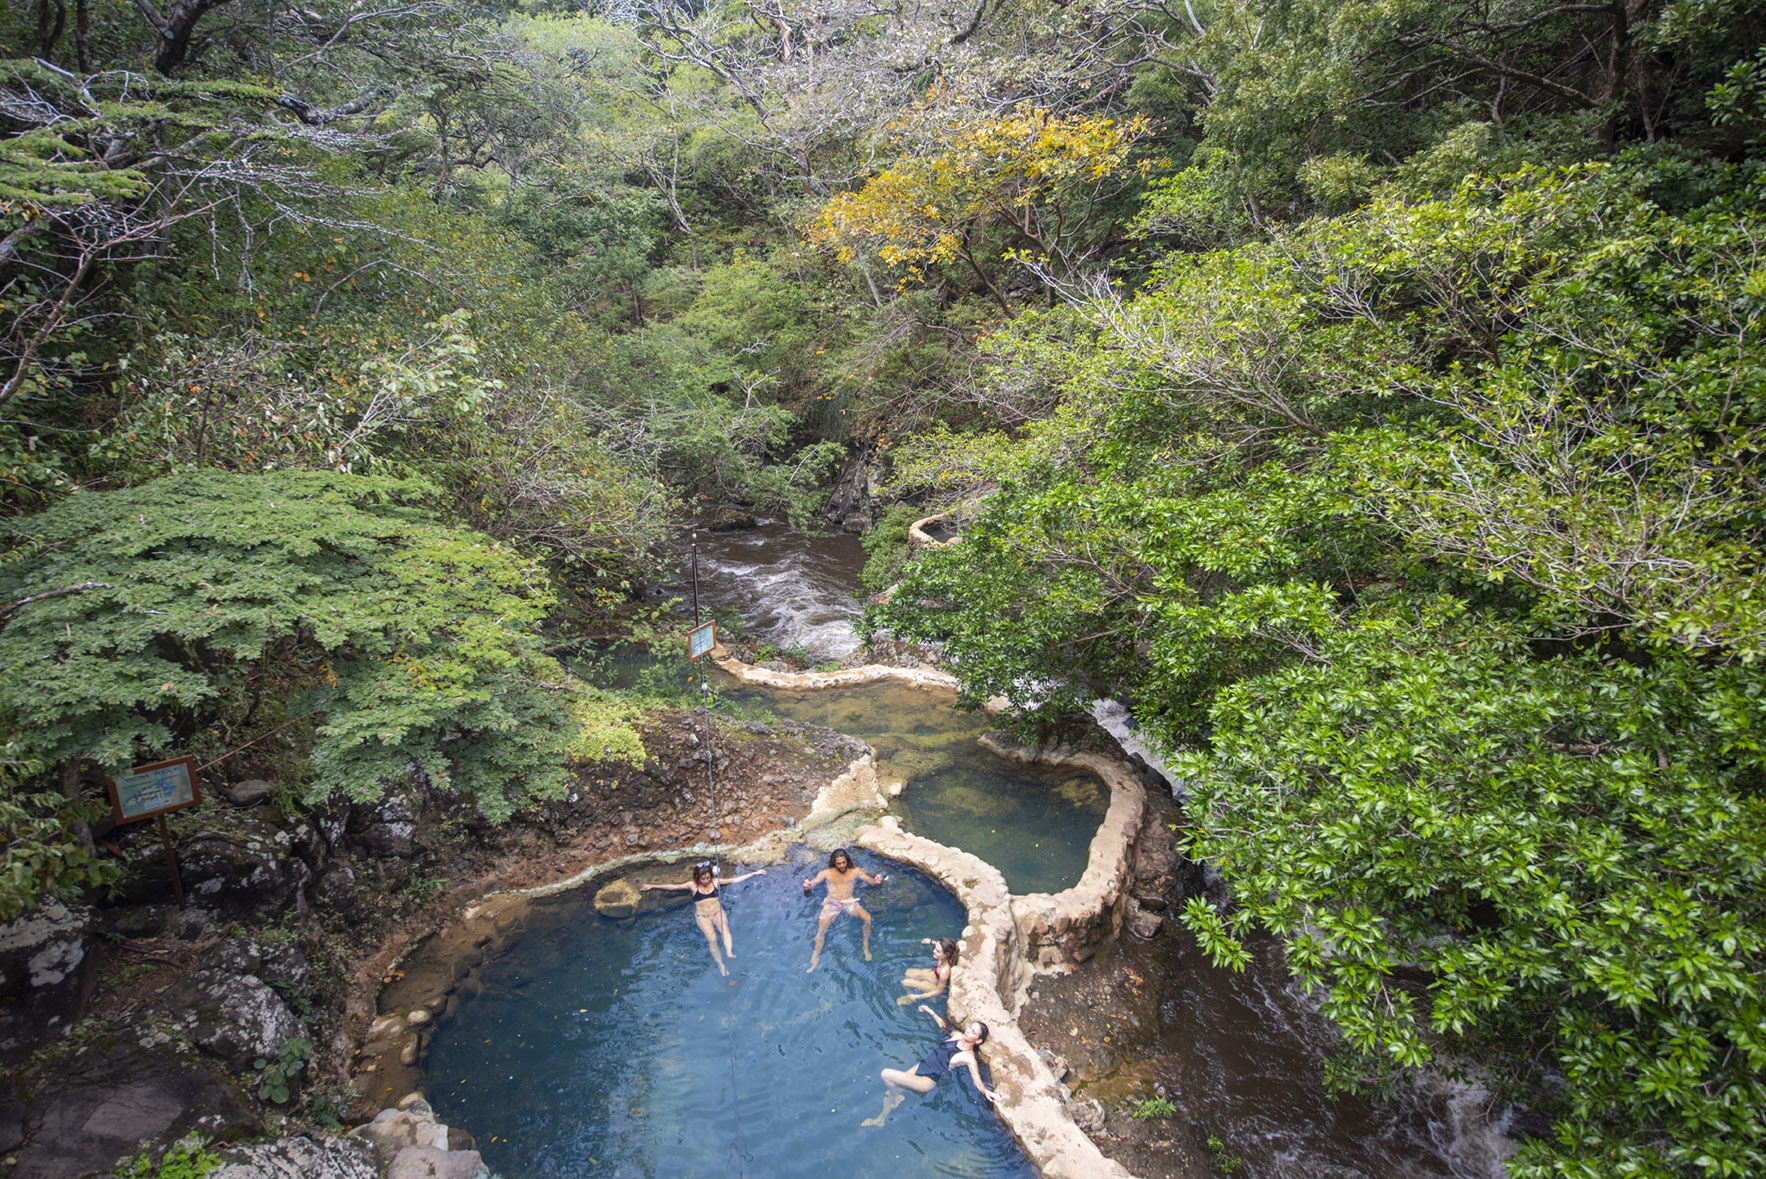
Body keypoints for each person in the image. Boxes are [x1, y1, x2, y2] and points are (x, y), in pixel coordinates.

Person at [861, 1004, 997, 1127]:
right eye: (970, 1028)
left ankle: (897, 1097)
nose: (968, 1031)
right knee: (890, 1090)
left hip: (928, 1080)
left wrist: (986, 1092)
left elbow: (976, 1079)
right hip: (922, 1066)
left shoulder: (969, 1057)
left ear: (978, 1040)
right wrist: (930, 1011)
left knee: (886, 1074)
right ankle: (880, 1119)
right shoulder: (957, 1036)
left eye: (973, 1032)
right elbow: (943, 1025)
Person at [640, 861, 765, 976]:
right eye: (703, 878)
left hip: (717, 912)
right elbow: (674, 887)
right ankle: (721, 965)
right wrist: (653, 886)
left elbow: (734, 880)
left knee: (725, 930)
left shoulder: (715, 882)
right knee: (712, 939)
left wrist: (754, 873)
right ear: (697, 877)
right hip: (702, 916)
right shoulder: (692, 886)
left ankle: (729, 952)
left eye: (707, 877)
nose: (705, 880)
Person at [800, 847, 883, 971]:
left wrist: (876, 881)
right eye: (839, 863)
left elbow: (870, 881)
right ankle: (815, 957)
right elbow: (813, 883)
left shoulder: (855, 871)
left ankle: (865, 946)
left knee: (867, 918)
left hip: (849, 902)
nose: (842, 865)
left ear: (847, 860)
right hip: (832, 903)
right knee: (821, 930)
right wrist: (807, 886)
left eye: (844, 862)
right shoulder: (826, 873)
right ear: (834, 863)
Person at [897, 937, 958, 1005]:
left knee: (905, 982)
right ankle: (912, 994)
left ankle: (910, 997)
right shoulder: (945, 955)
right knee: (908, 972)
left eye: (937, 951)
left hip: (936, 988)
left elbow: (938, 991)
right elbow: (943, 947)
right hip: (935, 976)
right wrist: (931, 941)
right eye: (935, 948)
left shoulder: (944, 971)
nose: (933, 951)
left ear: (945, 955)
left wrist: (917, 996)